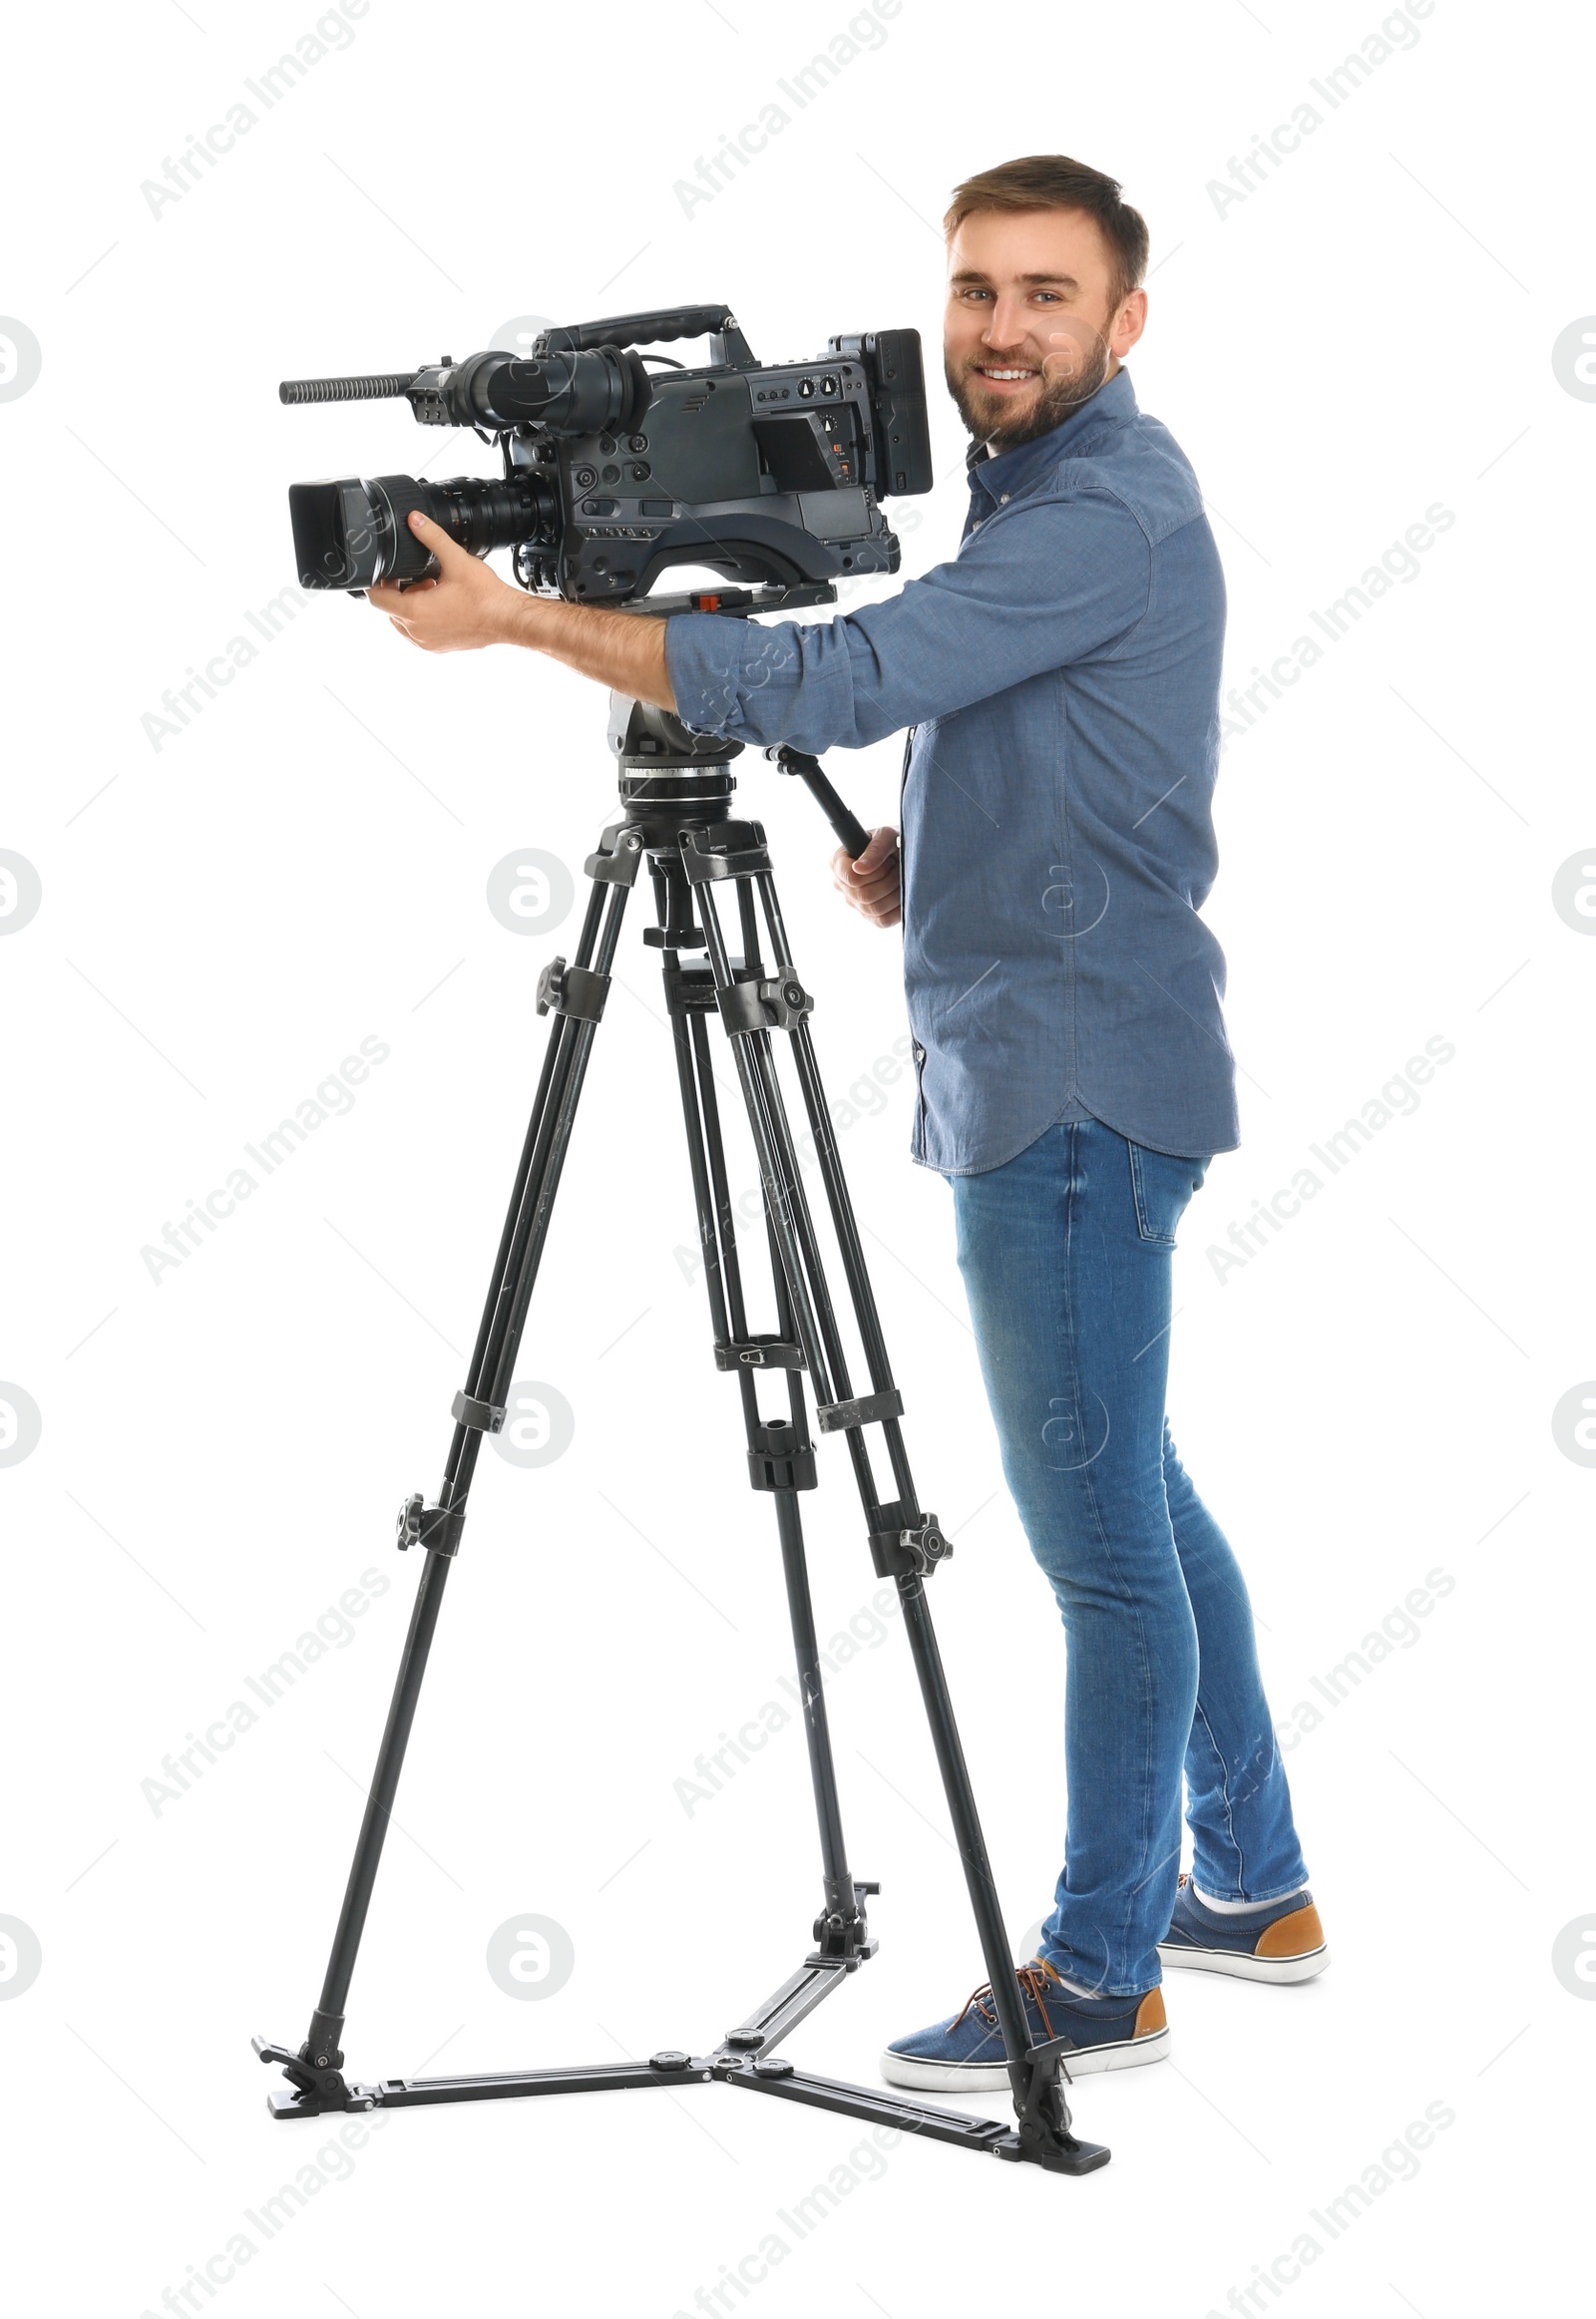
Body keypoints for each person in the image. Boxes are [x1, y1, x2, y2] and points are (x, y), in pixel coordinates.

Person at [367, 152, 1328, 2091]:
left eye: (1044, 294)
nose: (997, 326)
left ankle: (1095, 1970)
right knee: (1132, 1480)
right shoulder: (1048, 498)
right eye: (974, 288)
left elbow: (856, 672)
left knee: (1096, 1549)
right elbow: (1027, 711)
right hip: (1067, 1043)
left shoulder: (1100, 506)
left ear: (1122, 320)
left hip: (1062, 1090)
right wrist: (948, 851)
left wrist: (524, 625)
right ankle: (1252, 1883)